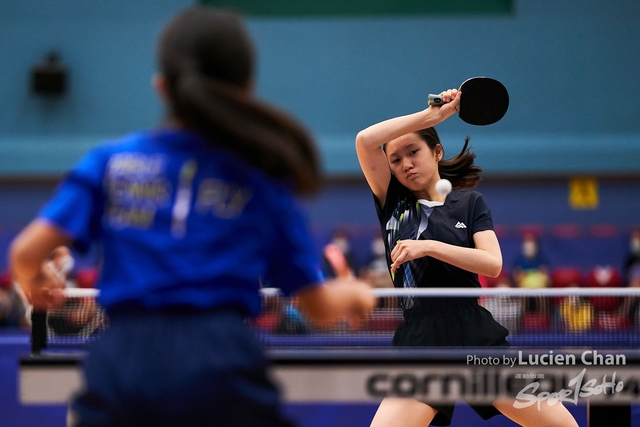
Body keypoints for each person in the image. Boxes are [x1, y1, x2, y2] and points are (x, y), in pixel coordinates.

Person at [10, 7, 375, 427]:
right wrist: (355, 293)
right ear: (247, 87)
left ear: (162, 87)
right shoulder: (262, 177)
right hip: (221, 363)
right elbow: (319, 307)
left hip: (122, 364)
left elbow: (26, 253)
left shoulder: (110, 162)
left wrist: (36, 283)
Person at [355, 90, 578, 427]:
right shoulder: (394, 206)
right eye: (396, 160)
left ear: (437, 151)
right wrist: (430, 117)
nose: (405, 165)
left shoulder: (470, 204)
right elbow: (364, 140)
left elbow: (492, 263)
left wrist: (427, 246)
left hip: (475, 334)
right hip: (421, 341)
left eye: (413, 152)